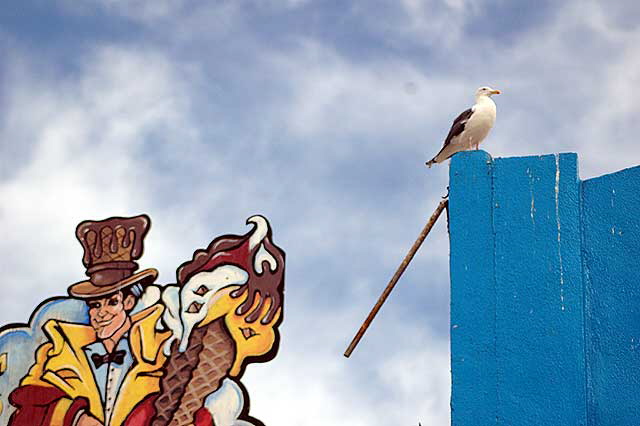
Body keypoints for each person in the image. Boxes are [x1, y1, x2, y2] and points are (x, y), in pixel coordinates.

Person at [8, 215, 169, 426]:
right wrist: (75, 417)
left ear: (129, 302)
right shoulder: (59, 351)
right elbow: (28, 405)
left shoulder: (162, 350)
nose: (100, 313)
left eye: (112, 302)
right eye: (95, 305)